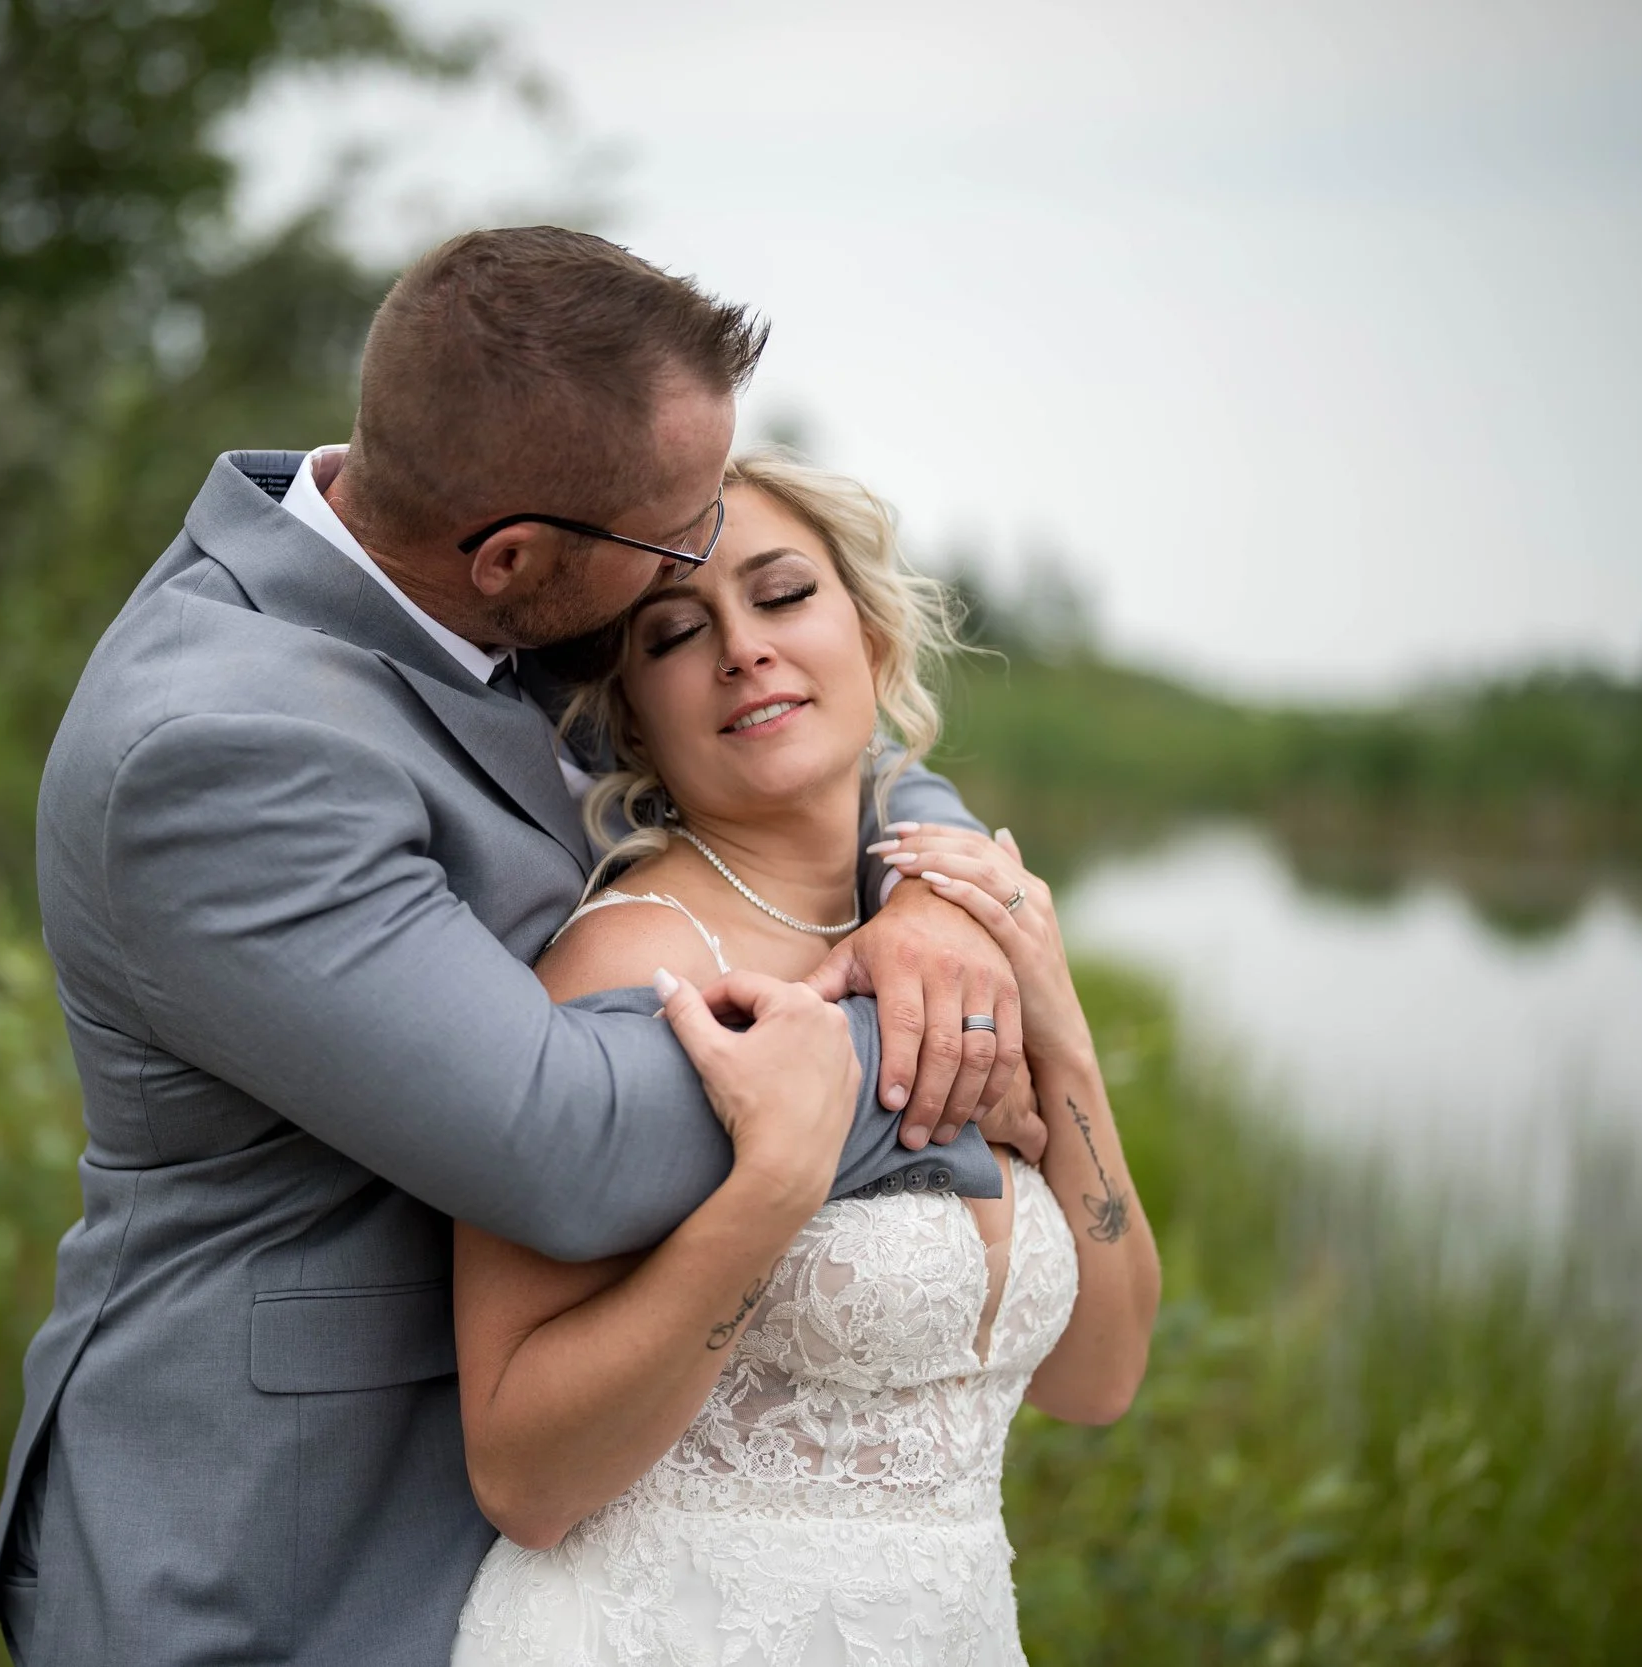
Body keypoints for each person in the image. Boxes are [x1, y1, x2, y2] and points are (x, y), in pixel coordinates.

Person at [0, 227, 1040, 1666]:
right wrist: (926, 1052)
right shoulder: (213, 747)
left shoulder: (480, 563)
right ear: (515, 558)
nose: (709, 553)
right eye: (681, 539)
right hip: (275, 1558)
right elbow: (560, 1138)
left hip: (555, 1545)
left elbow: (820, 736)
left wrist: (932, 900)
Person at [451, 453, 1160, 1665]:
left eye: (783, 596)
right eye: (678, 631)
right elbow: (523, 1475)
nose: (742, 648)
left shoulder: (965, 944)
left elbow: (1096, 1376)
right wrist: (773, 1186)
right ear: (632, 710)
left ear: (874, 640)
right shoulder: (630, 970)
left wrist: (1062, 1035)